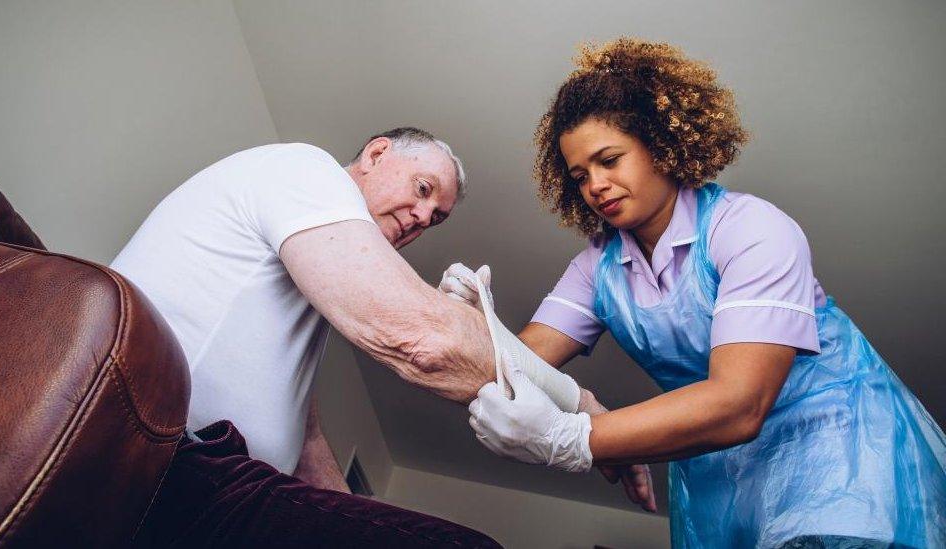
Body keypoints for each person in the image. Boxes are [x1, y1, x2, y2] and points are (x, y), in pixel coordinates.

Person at [445, 39, 946, 548]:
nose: (596, 184)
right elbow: (520, 366)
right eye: (580, 176)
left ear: (661, 144)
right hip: (718, 479)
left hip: (837, 451)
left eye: (610, 160)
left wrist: (579, 439)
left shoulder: (751, 228)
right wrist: (469, 323)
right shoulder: (596, 267)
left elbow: (740, 402)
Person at [112, 128, 513, 547]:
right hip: (171, 459)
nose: (424, 216)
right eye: (423, 188)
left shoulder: (312, 281)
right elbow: (421, 340)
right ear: (376, 154)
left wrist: (351, 509)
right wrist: (566, 422)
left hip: (231, 483)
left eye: (437, 216)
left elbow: (306, 435)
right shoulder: (307, 168)